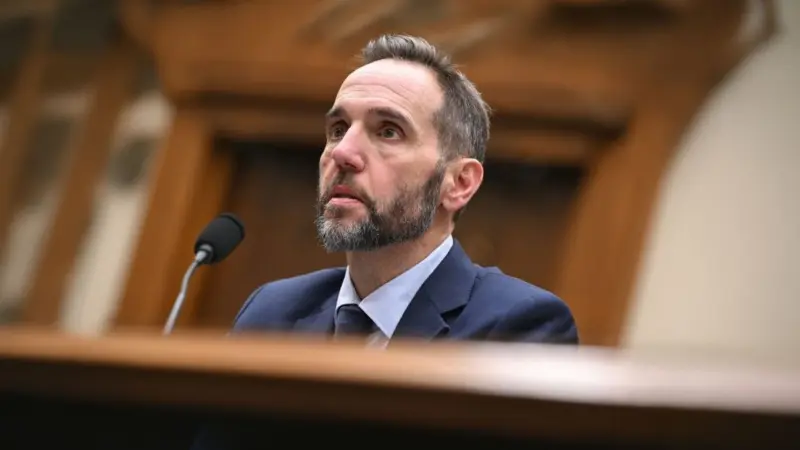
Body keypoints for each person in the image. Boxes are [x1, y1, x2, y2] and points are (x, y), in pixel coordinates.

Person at [232, 34, 578, 346]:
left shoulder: (515, 326)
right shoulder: (271, 312)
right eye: (338, 129)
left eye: (388, 132)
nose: (342, 153)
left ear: (459, 183)